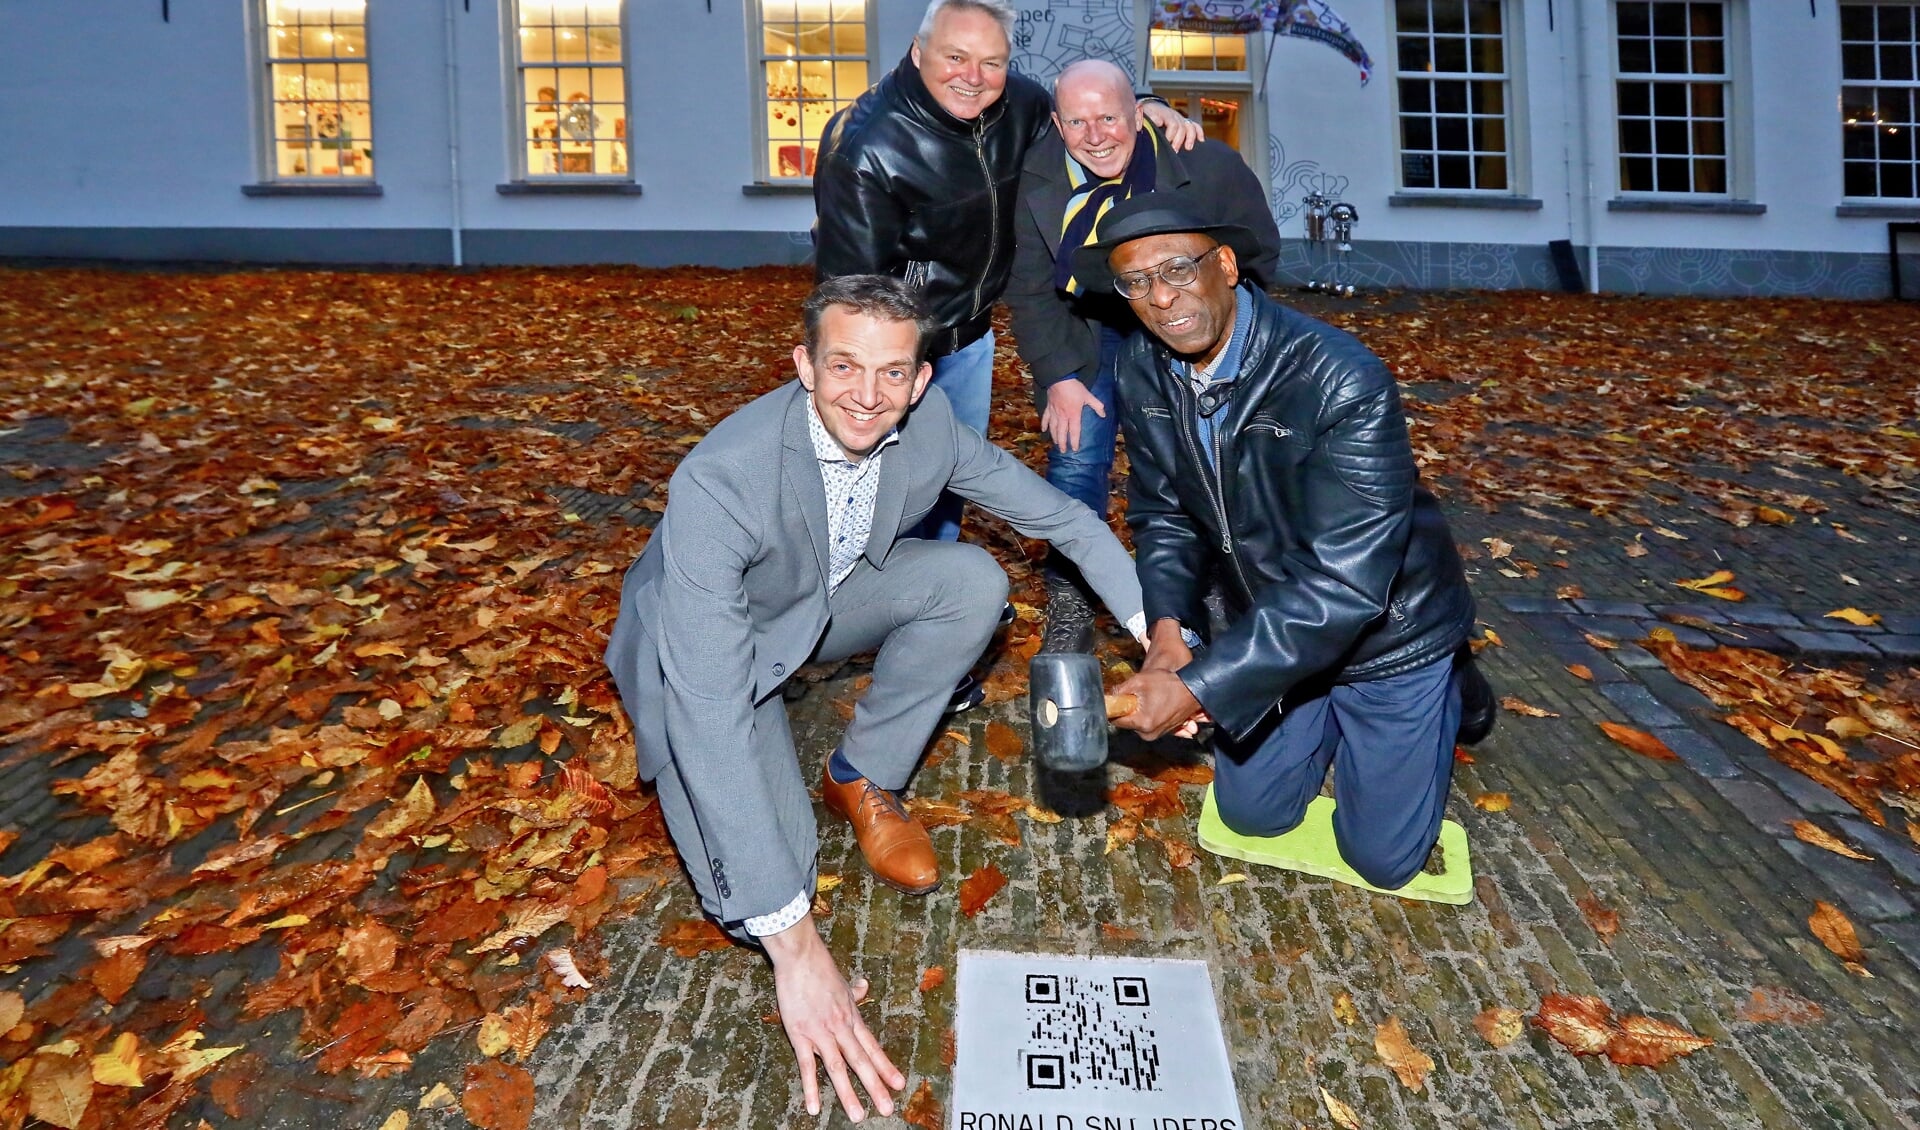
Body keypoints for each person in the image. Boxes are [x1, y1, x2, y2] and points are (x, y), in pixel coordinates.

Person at [603, 275, 1145, 1123]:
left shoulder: (929, 427)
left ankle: (861, 775)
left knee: (972, 580)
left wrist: (1160, 629)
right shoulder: (722, 479)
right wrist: (797, 947)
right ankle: (778, 886)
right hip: (705, 656)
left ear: (921, 379)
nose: (867, 395)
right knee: (761, 896)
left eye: (892, 373)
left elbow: (1065, 522)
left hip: (817, 600)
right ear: (804, 366)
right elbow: (707, 708)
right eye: (844, 367)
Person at [1076, 198, 1496, 893]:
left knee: (1381, 861)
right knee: (1252, 817)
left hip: (1387, 636)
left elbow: (1348, 585)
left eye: (1177, 268)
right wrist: (1169, 634)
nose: (1160, 297)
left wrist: (1199, 689)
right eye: (1135, 282)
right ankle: (1316, 712)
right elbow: (1162, 513)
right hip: (1270, 620)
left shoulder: (1340, 376)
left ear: (1228, 266)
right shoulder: (1140, 369)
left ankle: (1452, 682)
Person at [812, 0, 1203, 547]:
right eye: (955, 56)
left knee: (947, 475)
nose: (973, 78)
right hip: (894, 344)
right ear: (918, 51)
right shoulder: (865, 146)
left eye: (991, 62)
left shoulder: (1018, 104)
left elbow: (1084, 115)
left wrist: (1149, 105)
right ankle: (855, 595)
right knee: (877, 475)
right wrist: (879, 368)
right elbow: (847, 293)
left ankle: (940, 591)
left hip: (970, 335)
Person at [1004, 59, 1282, 653]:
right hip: (1087, 327)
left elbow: (1255, 261)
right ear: (1057, 124)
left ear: (1138, 112)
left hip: (1180, 323)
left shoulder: (1204, 164)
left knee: (1198, 452)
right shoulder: (1038, 175)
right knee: (1075, 455)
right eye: (1078, 122)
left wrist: (1217, 345)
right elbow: (1028, 284)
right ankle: (1072, 598)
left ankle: (1208, 590)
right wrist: (1057, 377)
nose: (1096, 135)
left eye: (1109, 117)